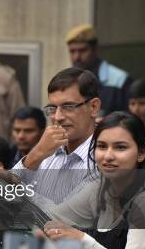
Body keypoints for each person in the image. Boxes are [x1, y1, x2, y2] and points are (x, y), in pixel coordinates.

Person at [45, 112, 145, 249]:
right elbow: (51, 218)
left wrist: (81, 238)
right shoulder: (100, 188)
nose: (108, 156)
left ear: (141, 153)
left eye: (120, 147)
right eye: (102, 146)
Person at [10, 68, 101, 203]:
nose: (57, 117)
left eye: (68, 106)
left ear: (93, 107)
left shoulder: (104, 158)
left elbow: (64, 218)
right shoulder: (48, 150)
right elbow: (7, 197)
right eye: (52, 109)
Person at [65, 24, 132, 115]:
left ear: (95, 49)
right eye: (72, 51)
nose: (77, 57)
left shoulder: (119, 79)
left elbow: (128, 118)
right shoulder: (66, 80)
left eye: (82, 50)